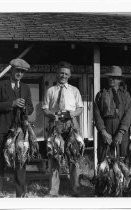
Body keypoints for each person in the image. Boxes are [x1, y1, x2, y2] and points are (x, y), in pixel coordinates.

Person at [42, 61, 83, 197]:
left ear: (69, 75)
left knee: (73, 157)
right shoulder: (50, 90)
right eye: (61, 73)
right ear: (57, 74)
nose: (63, 75)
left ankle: (75, 189)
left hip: (71, 125)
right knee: (54, 157)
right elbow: (45, 108)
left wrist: (73, 113)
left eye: (66, 73)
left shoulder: (74, 90)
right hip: (55, 125)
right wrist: (51, 115)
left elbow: (80, 108)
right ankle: (53, 191)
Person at [0, 58, 34, 197]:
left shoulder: (26, 88)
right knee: (1, 161)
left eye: (22, 72)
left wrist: (26, 107)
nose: (19, 73)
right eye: (17, 70)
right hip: (2, 129)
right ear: (11, 70)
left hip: (20, 131)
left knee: (21, 161)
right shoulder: (1, 85)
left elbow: (31, 108)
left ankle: (21, 194)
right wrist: (12, 104)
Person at [94, 65, 131, 164]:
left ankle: (123, 179)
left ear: (119, 80)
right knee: (103, 160)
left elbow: (128, 114)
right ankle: (103, 179)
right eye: (110, 77)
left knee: (122, 159)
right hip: (105, 128)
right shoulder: (100, 94)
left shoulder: (125, 95)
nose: (112, 79)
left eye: (115, 78)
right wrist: (103, 132)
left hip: (121, 128)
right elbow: (97, 114)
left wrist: (120, 133)